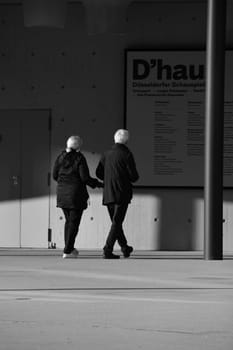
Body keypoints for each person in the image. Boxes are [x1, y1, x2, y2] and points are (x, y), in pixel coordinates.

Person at [53, 135, 102, 259]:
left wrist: (63, 182)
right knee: (74, 223)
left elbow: (54, 175)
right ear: (79, 146)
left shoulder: (60, 157)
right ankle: (67, 250)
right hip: (76, 195)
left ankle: (70, 248)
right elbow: (85, 178)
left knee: (69, 222)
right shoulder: (79, 158)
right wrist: (98, 184)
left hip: (62, 194)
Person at [96, 129, 139, 259]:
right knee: (117, 222)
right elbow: (134, 177)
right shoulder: (127, 154)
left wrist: (110, 178)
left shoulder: (106, 154)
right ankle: (107, 249)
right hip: (122, 193)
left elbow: (98, 173)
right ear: (126, 141)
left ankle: (125, 248)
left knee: (116, 222)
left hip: (108, 193)